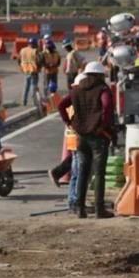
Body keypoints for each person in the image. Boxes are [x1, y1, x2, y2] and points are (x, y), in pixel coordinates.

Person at [56, 62, 115, 218]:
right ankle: (99, 209)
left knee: (82, 171)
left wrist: (69, 122)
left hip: (81, 136)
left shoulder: (77, 90)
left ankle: (80, 209)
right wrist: (102, 126)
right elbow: (107, 106)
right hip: (98, 137)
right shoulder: (102, 89)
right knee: (99, 173)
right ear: (99, 75)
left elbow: (61, 105)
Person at [47, 73, 85, 212]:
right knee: (78, 172)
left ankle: (73, 199)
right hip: (77, 138)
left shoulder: (71, 98)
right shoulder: (77, 100)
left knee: (75, 169)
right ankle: (74, 201)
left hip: (72, 138)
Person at [19, 37, 40, 106]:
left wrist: (21, 67)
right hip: (33, 71)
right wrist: (39, 68)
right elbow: (39, 61)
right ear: (34, 44)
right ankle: (34, 103)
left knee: (26, 87)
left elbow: (19, 60)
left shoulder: (23, 50)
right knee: (33, 87)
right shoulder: (35, 51)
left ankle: (24, 101)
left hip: (26, 71)